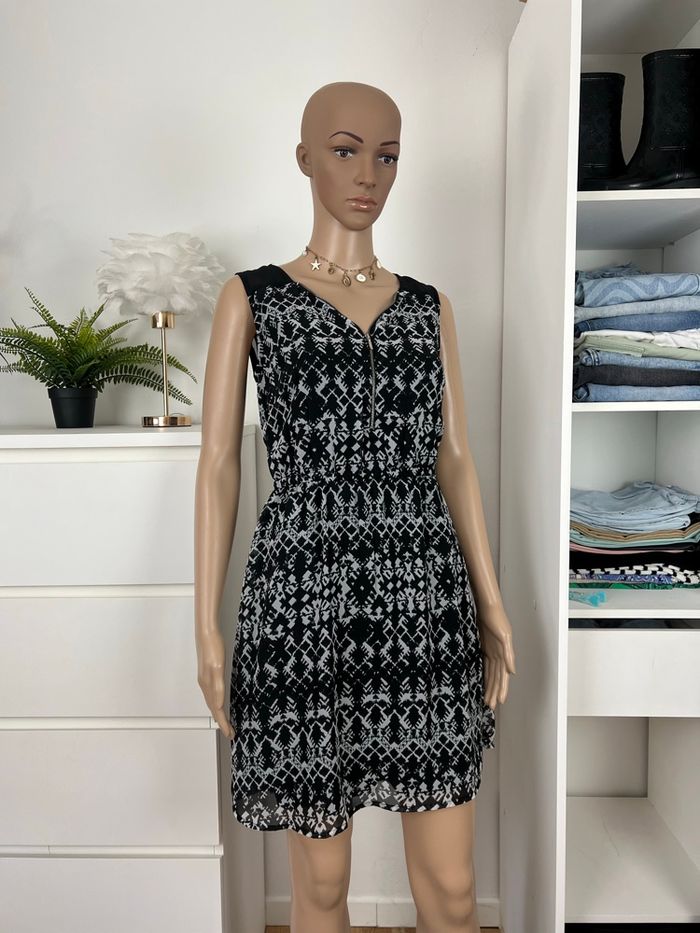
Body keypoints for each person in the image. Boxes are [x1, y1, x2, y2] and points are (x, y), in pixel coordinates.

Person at [194, 80, 516, 933]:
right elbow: (219, 464)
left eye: (387, 155)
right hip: (304, 599)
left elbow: (455, 458)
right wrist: (206, 625)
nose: (368, 172)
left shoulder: (429, 307)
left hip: (425, 597)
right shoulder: (252, 298)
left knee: (453, 886)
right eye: (345, 150)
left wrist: (490, 604)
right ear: (305, 158)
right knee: (323, 885)